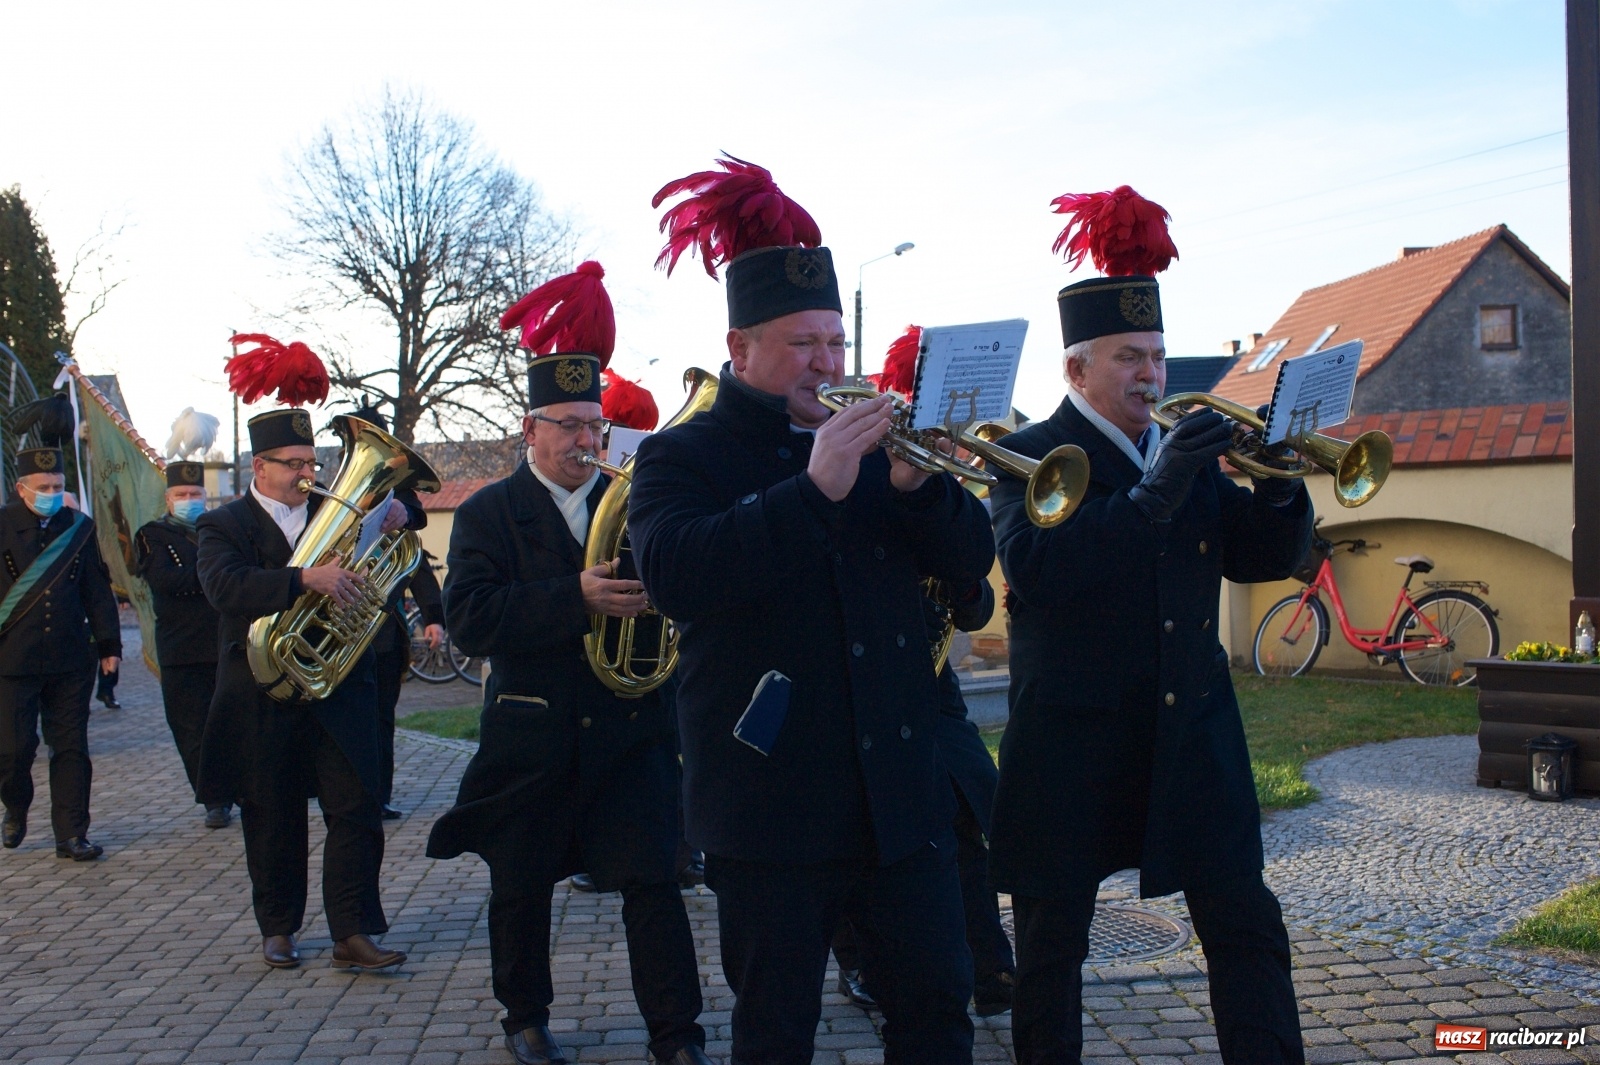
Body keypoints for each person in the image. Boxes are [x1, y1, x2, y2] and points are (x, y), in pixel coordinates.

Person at [630, 156, 994, 1064]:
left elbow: (972, 571)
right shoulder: (682, 456)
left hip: (900, 799)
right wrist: (815, 485)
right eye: (803, 345)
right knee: (778, 1030)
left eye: (835, 343)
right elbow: (677, 576)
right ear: (741, 347)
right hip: (769, 806)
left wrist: (918, 487)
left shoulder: (882, 442)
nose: (827, 363)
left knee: (939, 1011)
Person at [987, 187, 1310, 1063]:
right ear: (1076, 370)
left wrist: (1280, 482)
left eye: (1159, 357)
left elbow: (1259, 555)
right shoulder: (1029, 454)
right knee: (1052, 948)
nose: (1152, 376)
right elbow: (1042, 573)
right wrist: (1155, 492)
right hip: (1073, 738)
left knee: (1246, 921)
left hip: (1191, 728)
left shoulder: (1185, 445)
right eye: (1129, 357)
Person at [426, 261, 710, 1065]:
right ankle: (524, 1015)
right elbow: (470, 618)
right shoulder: (486, 512)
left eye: (595, 424)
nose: (589, 440)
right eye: (569, 425)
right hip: (533, 735)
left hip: (631, 732)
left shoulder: (641, 498)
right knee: (518, 888)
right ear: (529, 430)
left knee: (654, 887)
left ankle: (677, 1034)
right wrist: (574, 596)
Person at [197, 333, 420, 973]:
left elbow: (387, 562)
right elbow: (224, 589)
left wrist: (394, 517)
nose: (306, 472)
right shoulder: (223, 525)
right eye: (292, 463)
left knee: (357, 810)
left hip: (339, 687)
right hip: (263, 690)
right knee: (273, 815)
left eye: (310, 460)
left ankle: (353, 929)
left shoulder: (338, 510)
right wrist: (302, 579)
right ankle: (279, 926)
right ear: (258, 467)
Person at [0, 444, 121, 860]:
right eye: (43, 486)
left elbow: (96, 589)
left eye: (58, 485)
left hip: (70, 658)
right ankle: (15, 805)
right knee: (13, 750)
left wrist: (109, 645)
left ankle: (71, 833)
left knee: (71, 746)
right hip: (12, 660)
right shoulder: (1, 526)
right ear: (21, 488)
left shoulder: (78, 527)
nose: (52, 492)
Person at [347, 404, 445, 821]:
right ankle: (347, 793)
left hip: (382, 630)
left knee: (381, 720)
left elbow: (414, 560)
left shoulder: (398, 496)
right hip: (339, 628)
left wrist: (434, 615)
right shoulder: (331, 491)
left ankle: (378, 796)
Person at [135, 460, 230, 828]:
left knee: (227, 724)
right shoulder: (152, 534)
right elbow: (164, 579)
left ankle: (233, 787)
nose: (189, 500)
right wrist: (215, 576)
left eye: (195, 494)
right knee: (191, 728)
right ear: (168, 498)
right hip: (181, 648)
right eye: (182, 495)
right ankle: (213, 798)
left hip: (223, 641)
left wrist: (209, 578)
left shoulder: (221, 528)